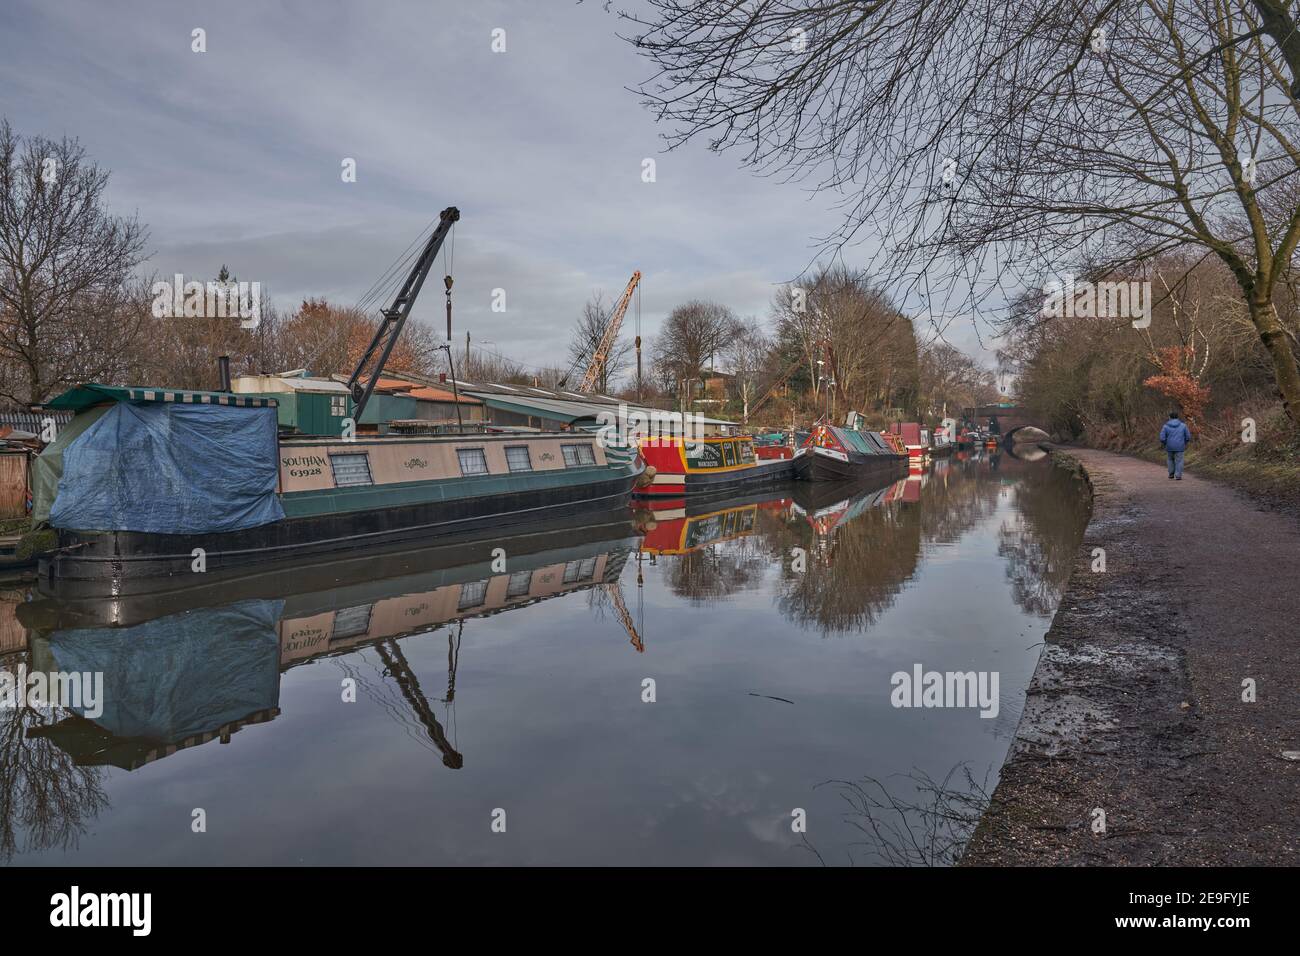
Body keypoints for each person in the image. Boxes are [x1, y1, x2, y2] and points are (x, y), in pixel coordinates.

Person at [1159, 411, 1191, 480]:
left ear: (1169, 417)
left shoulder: (1165, 426)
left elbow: (1162, 438)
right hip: (1180, 446)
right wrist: (1184, 442)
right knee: (1179, 461)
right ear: (1177, 417)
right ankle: (1178, 475)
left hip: (1169, 446)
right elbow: (1188, 437)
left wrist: (1165, 443)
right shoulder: (1183, 425)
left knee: (1170, 459)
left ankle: (1171, 474)